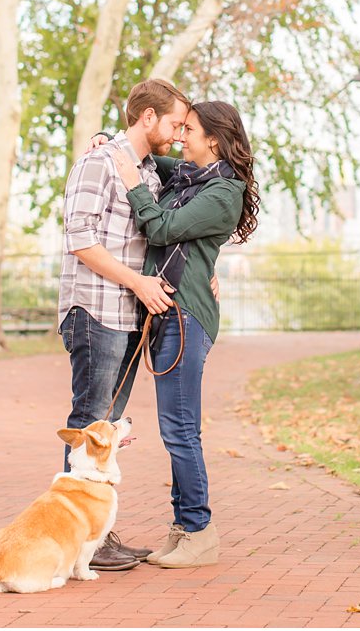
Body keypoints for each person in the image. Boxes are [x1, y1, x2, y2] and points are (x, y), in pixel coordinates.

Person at [108, 100, 260, 569]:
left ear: (213, 139)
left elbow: (162, 228)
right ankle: (182, 528)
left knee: (180, 431)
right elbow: (145, 150)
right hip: (171, 315)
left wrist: (134, 187)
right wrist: (106, 138)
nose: (181, 137)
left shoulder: (222, 193)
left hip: (186, 317)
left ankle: (199, 530)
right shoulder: (189, 176)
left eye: (189, 130)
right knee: (178, 429)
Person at [57, 78, 189, 571]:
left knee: (105, 428)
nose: (179, 134)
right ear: (148, 117)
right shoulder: (98, 161)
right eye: (175, 123)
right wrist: (137, 283)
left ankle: (95, 537)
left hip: (129, 314)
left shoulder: (151, 171)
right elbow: (80, 239)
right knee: (88, 424)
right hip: (94, 310)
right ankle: (80, 539)